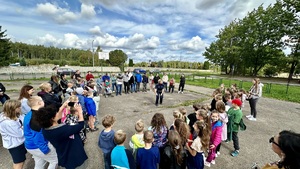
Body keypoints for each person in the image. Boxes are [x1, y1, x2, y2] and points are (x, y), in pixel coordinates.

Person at [36, 102, 88, 169]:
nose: (58, 113)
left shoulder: (45, 129)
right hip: (74, 157)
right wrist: (80, 112)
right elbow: (80, 125)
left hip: (62, 155)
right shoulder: (63, 130)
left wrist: (62, 107)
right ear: (52, 118)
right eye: (56, 113)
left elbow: (57, 117)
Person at [24, 96, 58, 169]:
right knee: (55, 160)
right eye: (42, 100)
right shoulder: (36, 119)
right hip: (38, 146)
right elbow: (37, 137)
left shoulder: (29, 114)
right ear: (39, 103)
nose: (44, 101)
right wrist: (46, 150)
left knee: (40, 162)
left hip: (30, 146)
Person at [0, 100, 27, 169]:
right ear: (13, 109)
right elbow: (20, 134)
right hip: (15, 145)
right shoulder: (8, 123)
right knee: (18, 163)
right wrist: (23, 127)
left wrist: (21, 127)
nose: (20, 108)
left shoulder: (15, 115)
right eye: (18, 107)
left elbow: (23, 120)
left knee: (22, 160)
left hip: (19, 142)